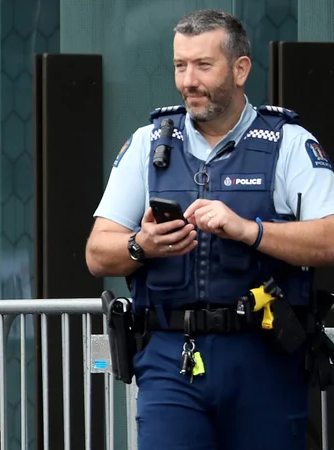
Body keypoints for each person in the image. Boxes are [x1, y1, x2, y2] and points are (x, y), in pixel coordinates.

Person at [85, 10, 334, 450]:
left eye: (203, 65)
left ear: (240, 69)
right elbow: (97, 254)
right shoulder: (147, 143)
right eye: (180, 65)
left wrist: (249, 230)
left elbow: (330, 240)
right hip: (170, 357)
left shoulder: (291, 143)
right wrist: (143, 245)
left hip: (264, 354)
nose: (188, 81)